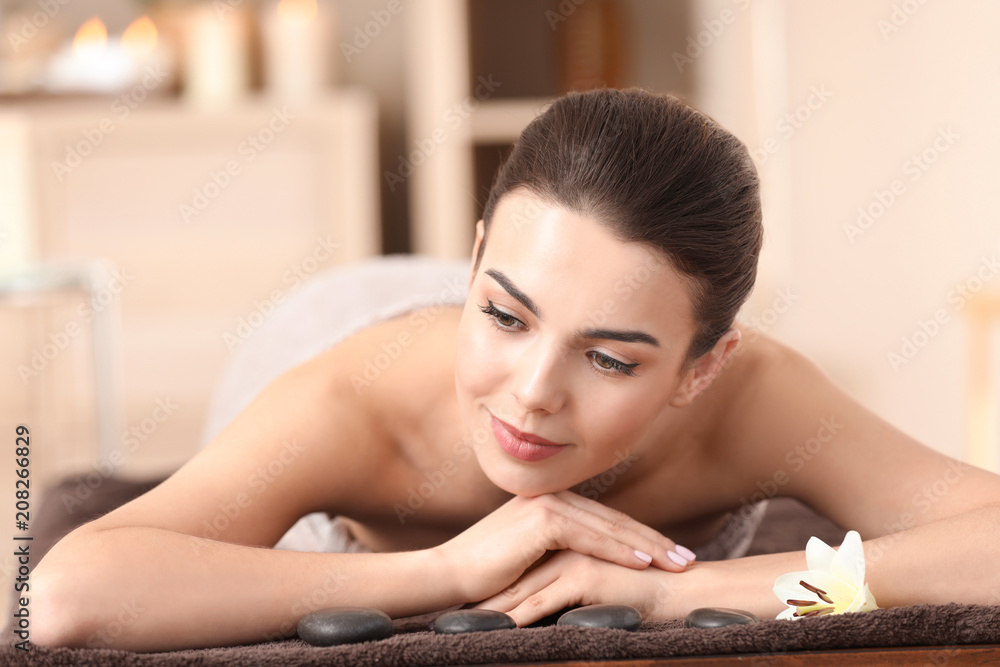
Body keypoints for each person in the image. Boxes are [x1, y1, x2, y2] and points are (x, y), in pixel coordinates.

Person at [31, 88, 1000, 652]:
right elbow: (68, 595)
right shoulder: (352, 401)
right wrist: (446, 569)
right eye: (503, 313)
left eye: (610, 358)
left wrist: (689, 591)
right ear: (475, 259)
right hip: (349, 321)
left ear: (700, 369)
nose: (534, 391)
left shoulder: (756, 400)